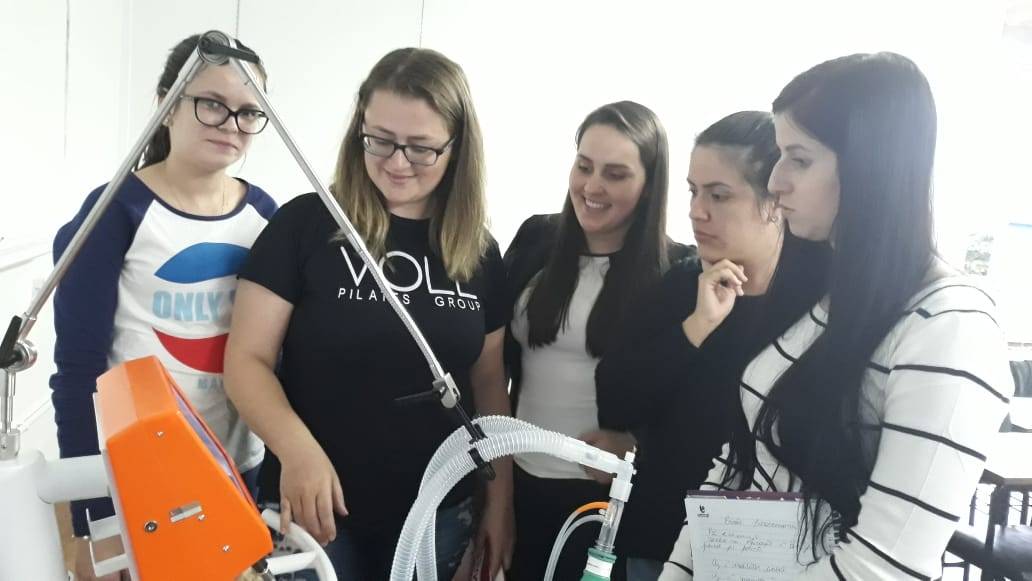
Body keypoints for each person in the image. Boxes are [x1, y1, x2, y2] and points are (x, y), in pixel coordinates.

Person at [661, 52, 1013, 580]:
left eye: (799, 159)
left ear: (872, 165)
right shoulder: (829, 296)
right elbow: (741, 466)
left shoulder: (950, 327)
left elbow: (884, 565)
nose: (775, 181)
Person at [223, 48, 513, 580]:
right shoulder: (304, 225)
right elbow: (246, 359)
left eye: (421, 148)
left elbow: (490, 386)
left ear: (458, 147)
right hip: (316, 513)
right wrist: (296, 450)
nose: (397, 162)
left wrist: (500, 504)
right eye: (379, 139)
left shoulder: (479, 252)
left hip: (439, 517)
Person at [51, 34, 275, 581]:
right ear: (166, 105)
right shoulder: (116, 210)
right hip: (139, 475)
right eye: (212, 104)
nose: (231, 124)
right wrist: (94, 521)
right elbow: (78, 371)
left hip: (235, 465)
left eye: (249, 112)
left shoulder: (265, 215)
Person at [595, 111, 826, 581]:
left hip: (773, 553)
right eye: (693, 192)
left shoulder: (822, 301)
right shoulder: (681, 286)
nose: (697, 211)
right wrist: (697, 326)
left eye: (719, 195)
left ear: (774, 200)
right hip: (660, 539)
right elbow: (614, 400)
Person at [503, 101, 694, 580]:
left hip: (599, 499)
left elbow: (686, 395)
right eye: (584, 166)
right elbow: (492, 355)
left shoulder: (675, 273)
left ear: (649, 184)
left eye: (615, 174)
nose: (592, 187)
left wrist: (638, 445)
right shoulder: (537, 238)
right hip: (517, 482)